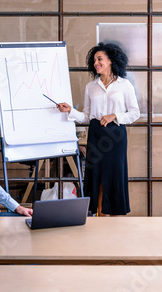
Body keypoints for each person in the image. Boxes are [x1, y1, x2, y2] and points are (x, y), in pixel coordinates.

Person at [57, 42, 139, 216]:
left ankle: (116, 214)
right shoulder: (91, 87)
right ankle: (97, 213)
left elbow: (134, 113)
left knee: (115, 175)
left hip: (116, 136)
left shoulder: (125, 85)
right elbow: (87, 116)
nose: (96, 63)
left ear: (111, 60)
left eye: (99, 59)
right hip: (96, 134)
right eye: (94, 60)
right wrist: (70, 110)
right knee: (96, 176)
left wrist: (115, 116)